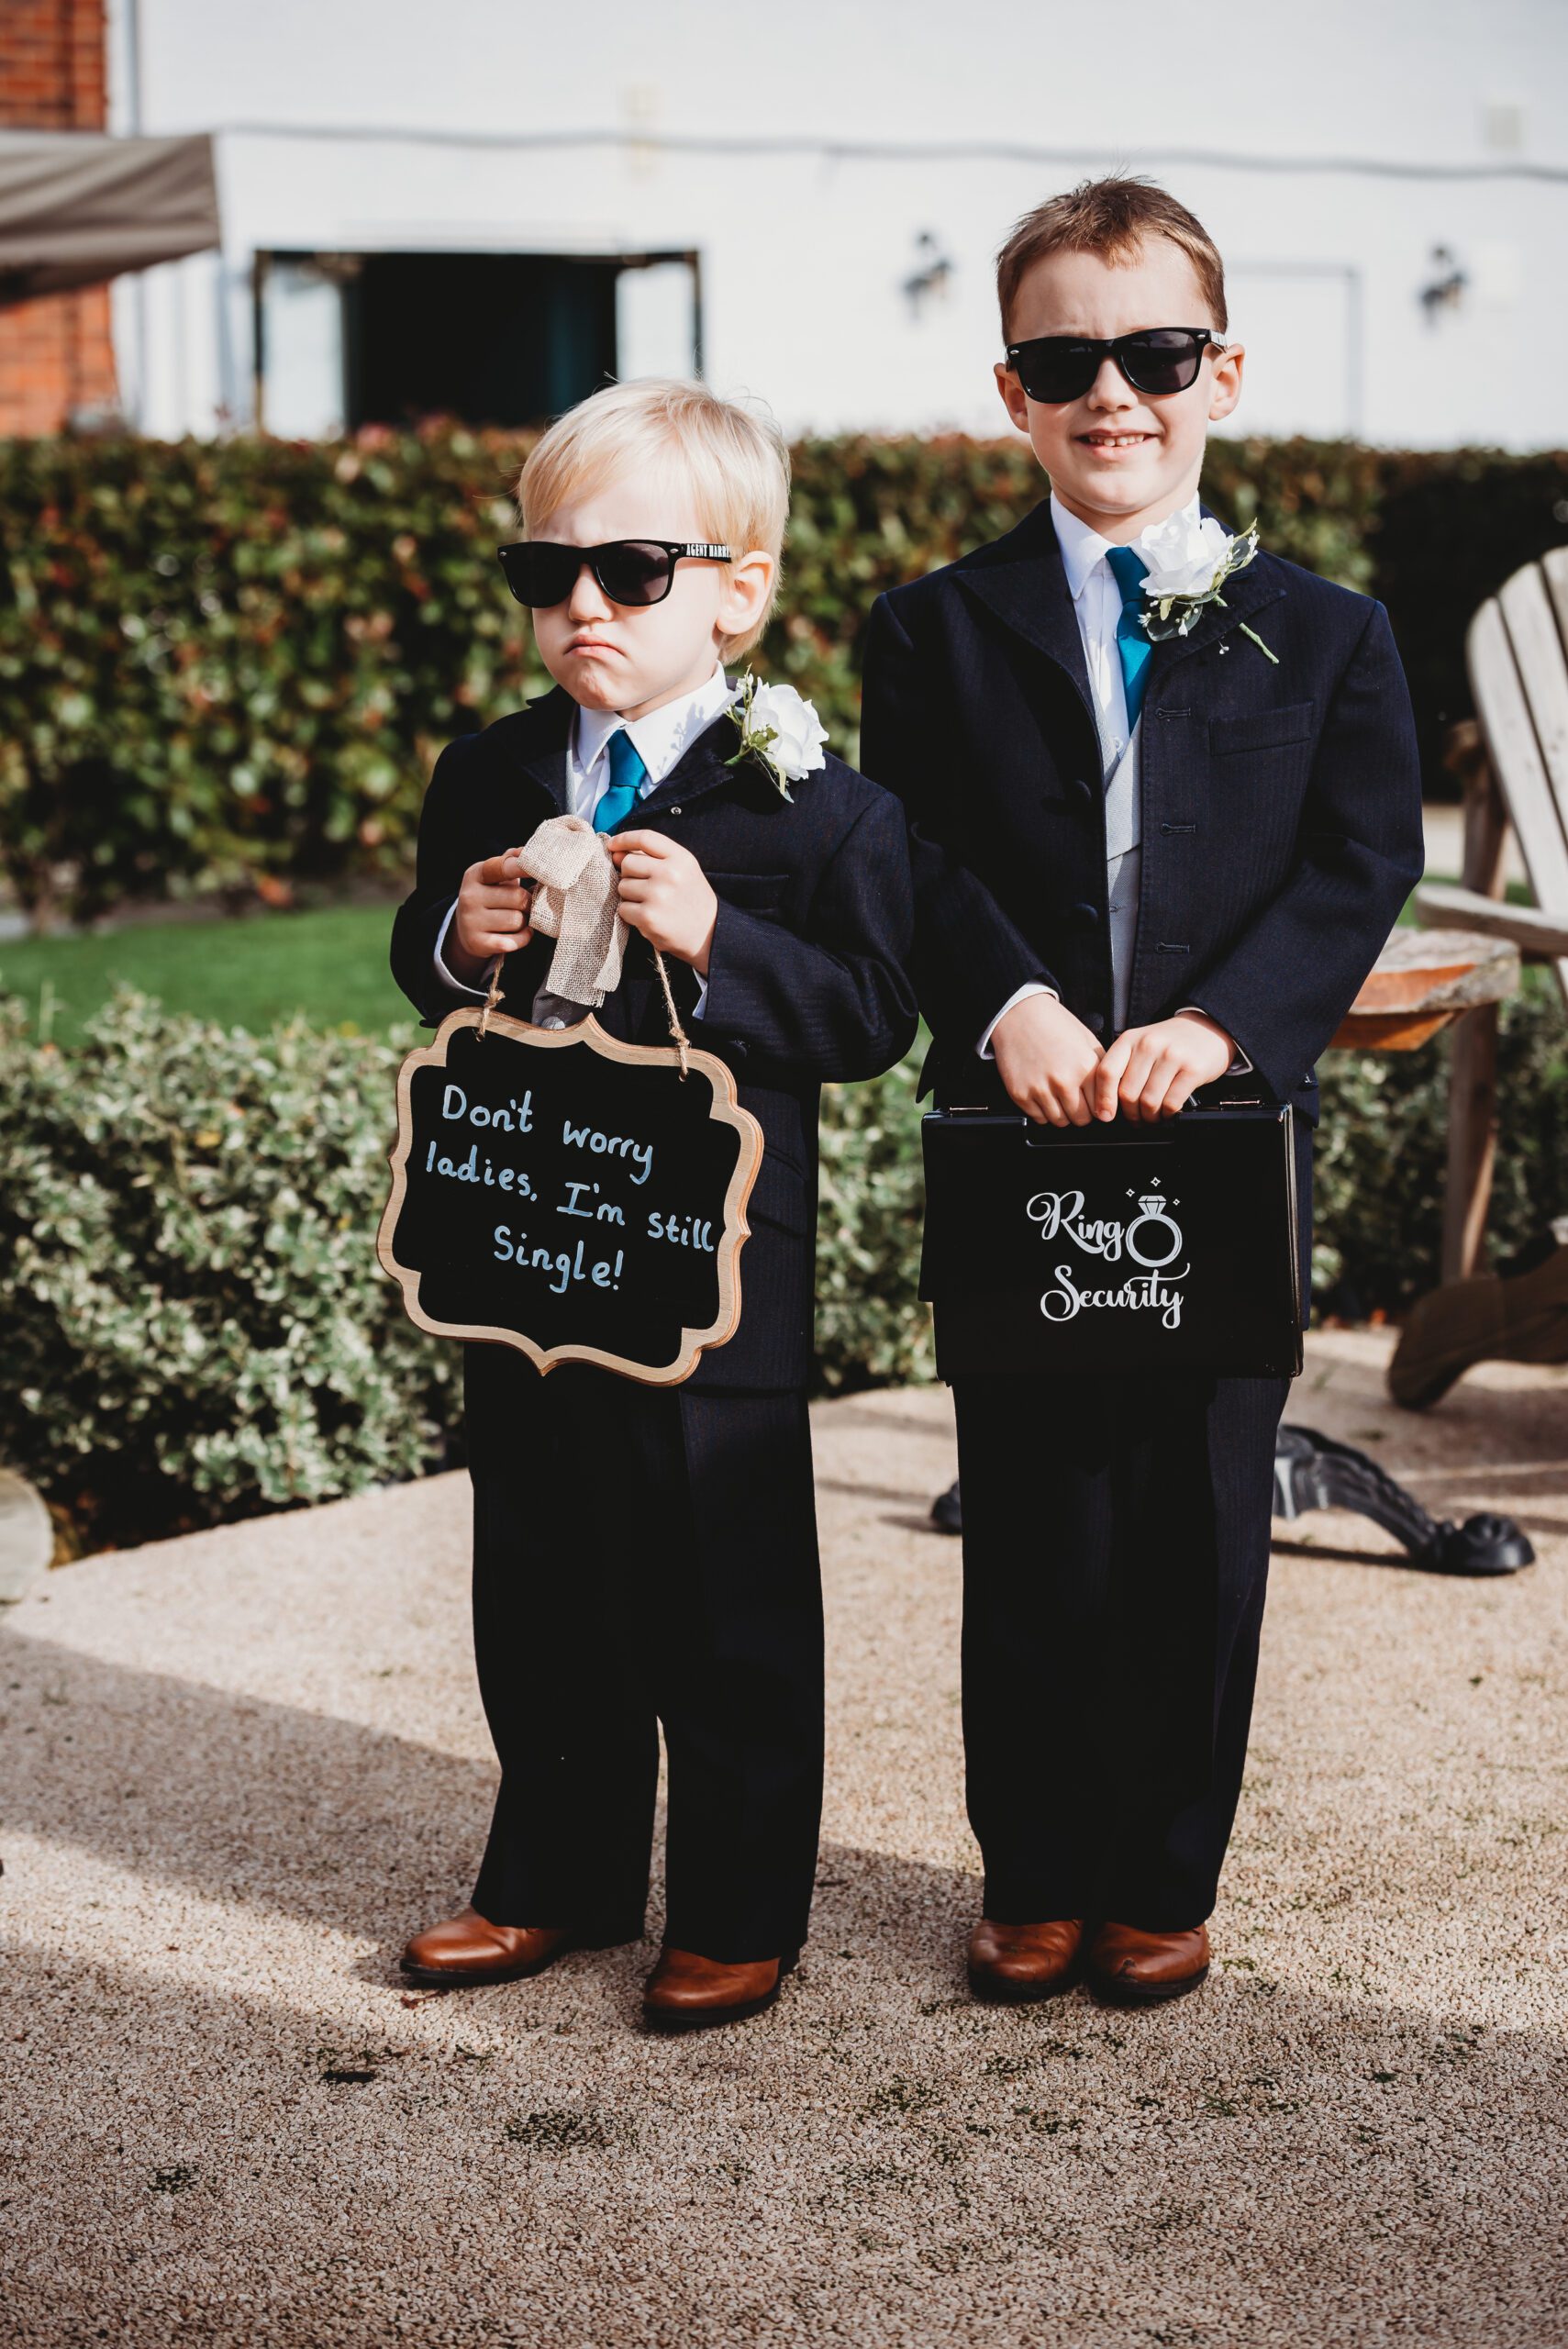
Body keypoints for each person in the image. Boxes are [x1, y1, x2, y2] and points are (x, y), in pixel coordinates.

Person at [860, 176, 1424, 2006]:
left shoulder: (1323, 631)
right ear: (1013, 389)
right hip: (1024, 1133)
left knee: (1194, 1505)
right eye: (1066, 358)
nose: (1115, 392)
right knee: (1031, 1497)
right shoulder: (930, 631)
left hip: (1223, 1140)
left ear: (1223, 369)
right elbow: (910, 852)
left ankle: (1163, 1868)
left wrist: (1228, 1024)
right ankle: (1034, 1863)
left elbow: (1356, 861)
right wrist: (1006, 998)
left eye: (1155, 351)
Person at [390, 378, 916, 2030]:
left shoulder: (817, 804)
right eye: (544, 577)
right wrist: (448, 940)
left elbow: (869, 1017)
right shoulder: (488, 771)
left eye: (629, 570)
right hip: (519, 1238)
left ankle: (742, 1903)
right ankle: (552, 1871)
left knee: (724, 1585)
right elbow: (420, 958)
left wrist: (721, 942)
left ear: (737, 589)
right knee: (540, 1570)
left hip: (712, 1272)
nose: (581, 609)